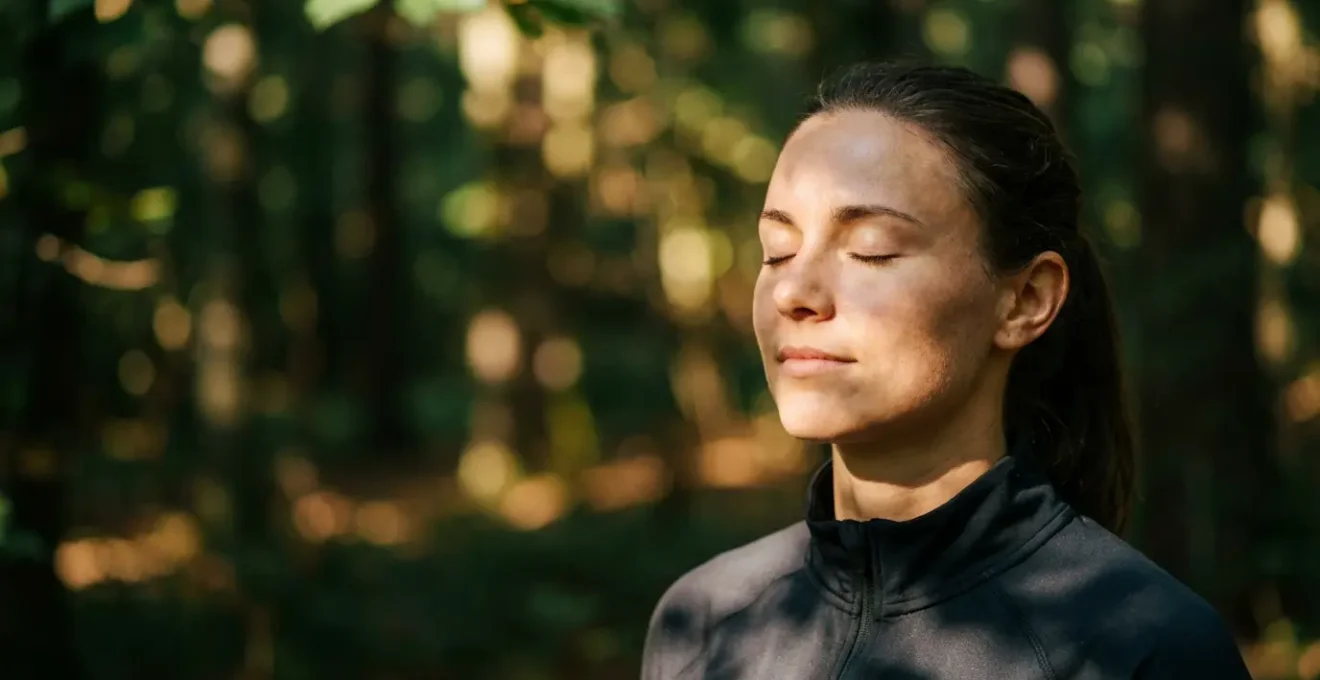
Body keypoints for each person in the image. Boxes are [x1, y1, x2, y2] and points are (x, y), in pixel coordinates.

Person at [640, 61, 1253, 680]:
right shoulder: (701, 623)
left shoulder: (1144, 646)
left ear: (1025, 300)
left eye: (870, 250)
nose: (792, 291)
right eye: (778, 251)